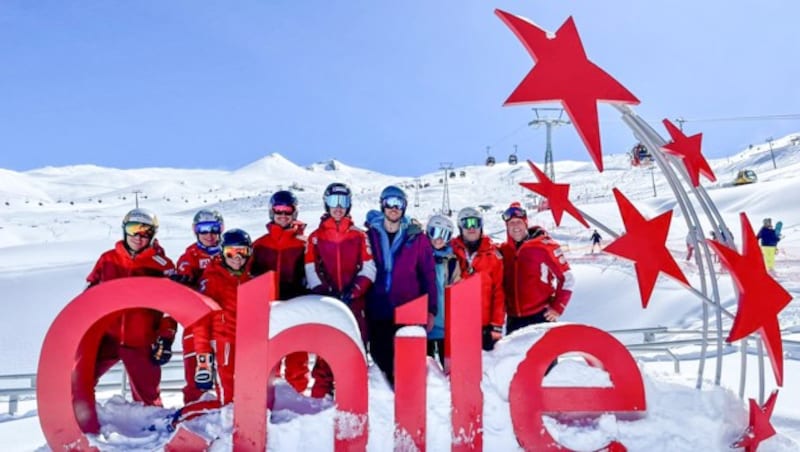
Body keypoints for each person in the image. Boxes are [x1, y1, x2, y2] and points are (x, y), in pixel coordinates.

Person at [76, 208, 176, 432]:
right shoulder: (108, 259)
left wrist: (166, 338)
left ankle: (155, 438)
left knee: (148, 396)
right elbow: (89, 294)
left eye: (145, 232)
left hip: (141, 339)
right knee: (81, 379)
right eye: (133, 230)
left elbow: (173, 307)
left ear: (152, 235)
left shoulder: (163, 265)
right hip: (108, 337)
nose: (138, 237)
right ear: (124, 230)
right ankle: (81, 426)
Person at [304, 182, 376, 398]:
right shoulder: (315, 237)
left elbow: (369, 267)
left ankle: (353, 398)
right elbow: (310, 268)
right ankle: (320, 400)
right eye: (333, 201)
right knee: (326, 350)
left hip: (354, 302)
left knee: (355, 349)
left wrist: (354, 291)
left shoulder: (359, 236)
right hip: (327, 303)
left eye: (343, 202)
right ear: (326, 204)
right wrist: (325, 293)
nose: (338, 207)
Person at [365, 185, 437, 385]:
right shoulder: (370, 235)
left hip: (408, 308)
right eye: (389, 203)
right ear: (382, 205)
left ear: (404, 207)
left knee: (407, 362)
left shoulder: (416, 238)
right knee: (380, 355)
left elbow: (428, 275)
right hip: (378, 308)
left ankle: (408, 402)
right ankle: (392, 399)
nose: (394, 208)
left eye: (399, 203)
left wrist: (431, 309)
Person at [251, 190, 310, 395]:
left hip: (296, 307)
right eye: (278, 211)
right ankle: (268, 403)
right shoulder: (259, 245)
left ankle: (298, 402)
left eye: (288, 211)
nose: (283, 215)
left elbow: (313, 274)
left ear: (294, 213)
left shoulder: (304, 244)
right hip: (269, 311)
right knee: (269, 361)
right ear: (271, 212)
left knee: (297, 361)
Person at [192, 229, 253, 405]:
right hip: (224, 341)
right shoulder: (213, 279)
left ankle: (252, 427)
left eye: (242, 251)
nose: (237, 257)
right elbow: (201, 319)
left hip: (251, 343)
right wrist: (202, 353)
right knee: (228, 391)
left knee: (252, 391)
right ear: (222, 252)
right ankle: (227, 425)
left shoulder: (253, 277)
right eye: (230, 252)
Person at [499, 202, 574, 339]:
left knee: (546, 360)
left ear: (526, 223)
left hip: (540, 316)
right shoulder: (504, 250)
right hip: (514, 320)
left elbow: (567, 278)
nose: (516, 227)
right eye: (511, 223)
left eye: (519, 222)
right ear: (507, 227)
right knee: (516, 361)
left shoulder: (544, 246)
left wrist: (558, 307)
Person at [172, 209, 224, 405]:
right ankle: (193, 416)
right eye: (203, 230)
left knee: (226, 375)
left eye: (214, 229)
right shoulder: (190, 256)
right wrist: (185, 283)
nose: (209, 235)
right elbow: (178, 294)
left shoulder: (230, 251)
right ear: (196, 231)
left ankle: (228, 416)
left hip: (225, 324)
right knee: (196, 377)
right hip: (197, 324)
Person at [450, 207, 505, 351]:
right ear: (460, 227)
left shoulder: (493, 255)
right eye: (466, 223)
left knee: (486, 369)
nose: (472, 227)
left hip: (484, 325)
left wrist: (497, 325)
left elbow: (499, 292)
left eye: (475, 222)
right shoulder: (450, 250)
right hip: (457, 323)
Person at [425, 214, 461, 369]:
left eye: (444, 234)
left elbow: (457, 289)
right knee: (426, 367)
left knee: (448, 368)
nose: (438, 239)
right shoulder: (420, 256)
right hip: (425, 323)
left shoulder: (451, 261)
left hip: (444, 325)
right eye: (435, 232)